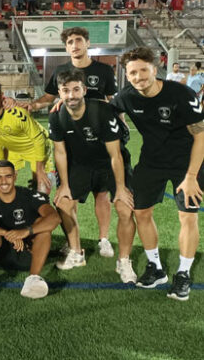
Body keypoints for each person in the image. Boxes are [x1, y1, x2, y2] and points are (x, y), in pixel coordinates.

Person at [111, 47, 203, 301]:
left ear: (155, 69)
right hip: (152, 161)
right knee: (141, 212)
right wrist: (63, 102)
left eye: (143, 70)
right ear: (126, 75)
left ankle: (183, 273)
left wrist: (192, 176)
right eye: (132, 72)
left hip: (187, 163)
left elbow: (201, 135)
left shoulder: (181, 94)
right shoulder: (126, 96)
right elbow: (106, 108)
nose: (138, 76)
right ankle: (156, 267)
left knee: (187, 217)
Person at [49, 69, 137, 283]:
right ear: (60, 93)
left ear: (84, 90)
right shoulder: (56, 116)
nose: (71, 95)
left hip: (110, 163)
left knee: (125, 207)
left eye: (76, 89)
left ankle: (124, 261)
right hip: (81, 164)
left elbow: (115, 155)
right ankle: (76, 253)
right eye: (66, 91)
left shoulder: (102, 112)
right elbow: (59, 152)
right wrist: (64, 185)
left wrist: (121, 188)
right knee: (63, 203)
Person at [0, 161, 61, 299]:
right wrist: (6, 233)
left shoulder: (29, 195)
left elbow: (54, 218)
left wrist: (26, 232)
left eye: (8, 176)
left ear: (15, 176)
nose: (3, 181)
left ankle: (32, 280)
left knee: (43, 227)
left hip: (27, 254)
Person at [0, 80, 54, 194]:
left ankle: (42, 185)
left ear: (2, 97)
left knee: (41, 189)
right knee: (2, 184)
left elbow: (39, 139)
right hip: (11, 149)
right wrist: (1, 166)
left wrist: (40, 170)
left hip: (36, 146)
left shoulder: (17, 114)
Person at [29, 27, 117, 111]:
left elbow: (113, 100)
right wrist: (31, 106)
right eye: (70, 42)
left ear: (87, 43)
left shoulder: (105, 70)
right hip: (69, 121)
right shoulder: (60, 71)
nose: (74, 45)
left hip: (97, 121)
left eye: (79, 40)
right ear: (67, 48)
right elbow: (48, 98)